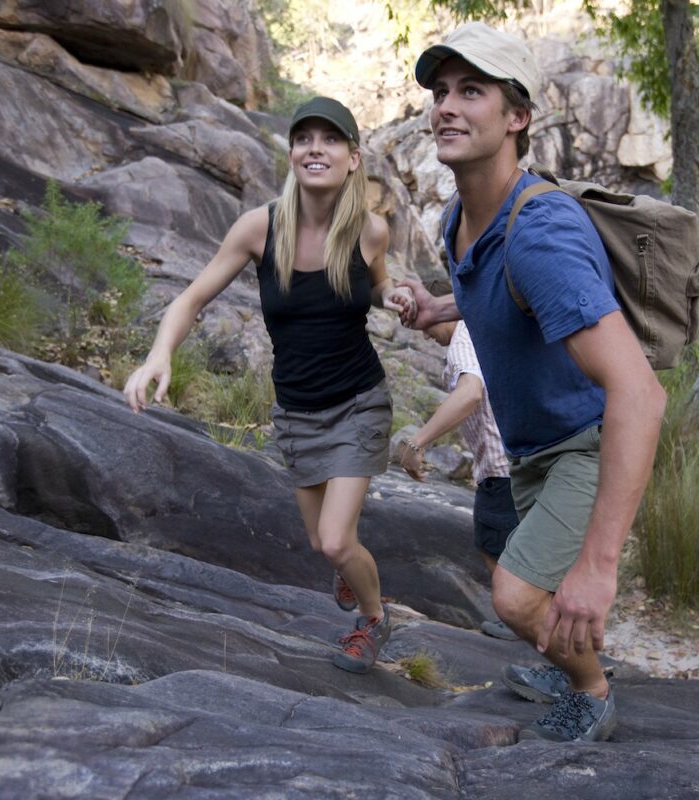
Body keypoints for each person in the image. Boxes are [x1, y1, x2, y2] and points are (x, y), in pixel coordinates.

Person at [401, 22, 666, 741]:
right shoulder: (464, 217)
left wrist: (600, 568)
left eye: (473, 91)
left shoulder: (539, 232)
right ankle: (568, 661)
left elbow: (642, 394)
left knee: (518, 598)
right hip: (530, 450)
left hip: (585, 443)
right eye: (442, 92)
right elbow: (497, 288)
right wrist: (439, 308)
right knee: (531, 591)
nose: (448, 107)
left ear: (517, 117)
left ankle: (592, 692)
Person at [123, 96, 415, 674]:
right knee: (321, 544)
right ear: (292, 153)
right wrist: (160, 354)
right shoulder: (260, 227)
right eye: (304, 138)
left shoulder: (369, 230)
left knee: (335, 540)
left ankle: (376, 620)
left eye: (330, 139)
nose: (315, 148)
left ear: (353, 158)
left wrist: (394, 295)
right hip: (298, 412)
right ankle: (350, 572)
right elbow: (192, 297)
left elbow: (377, 285)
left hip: (359, 401)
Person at [399, 319, 519, 640]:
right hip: (514, 457)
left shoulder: (463, 338)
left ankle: (519, 618)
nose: (425, 334)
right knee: (504, 542)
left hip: (499, 464)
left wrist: (417, 442)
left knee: (494, 545)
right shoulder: (483, 329)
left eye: (426, 324)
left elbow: (470, 394)